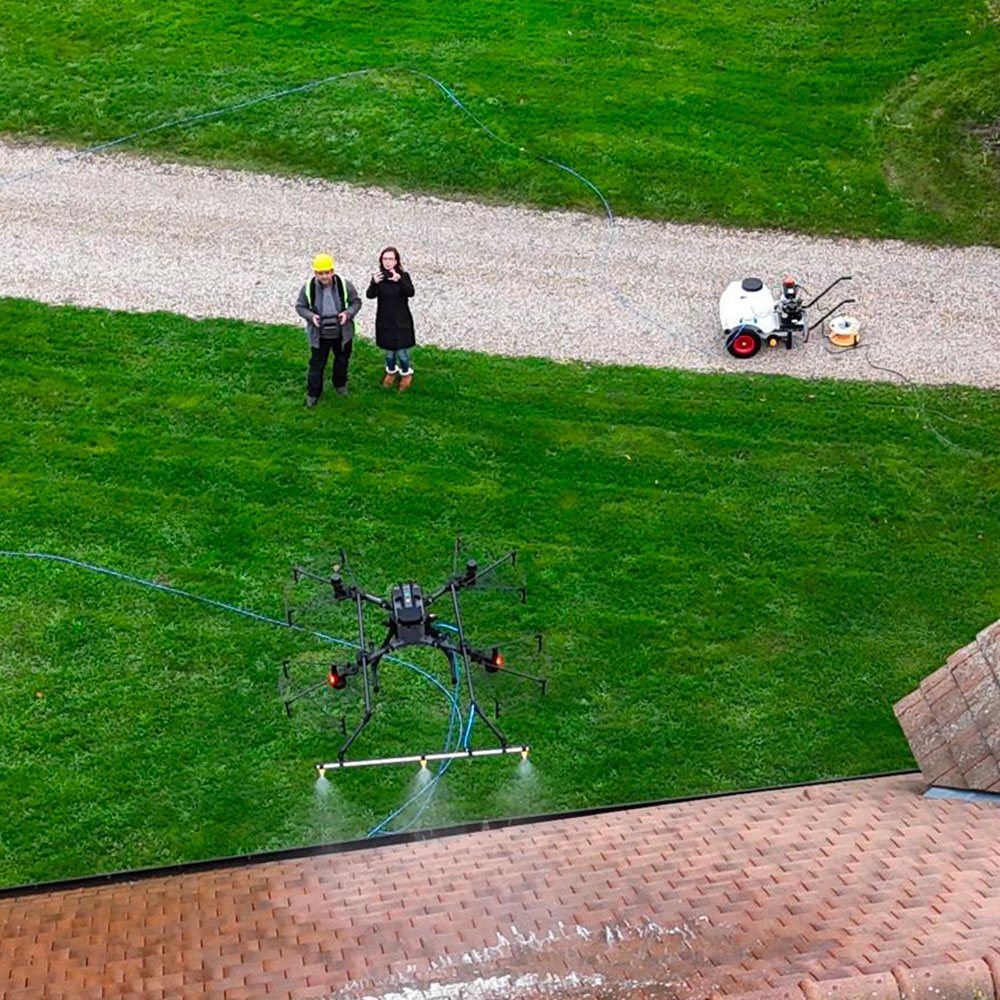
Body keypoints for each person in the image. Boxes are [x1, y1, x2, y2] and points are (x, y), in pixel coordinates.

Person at [295, 253, 362, 406]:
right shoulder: (308, 288)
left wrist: (348, 314)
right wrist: (311, 317)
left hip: (342, 334)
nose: (324, 276)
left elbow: (356, 302)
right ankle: (313, 393)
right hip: (320, 336)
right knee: (317, 365)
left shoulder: (345, 285)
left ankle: (340, 384)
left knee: (342, 360)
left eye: (327, 272)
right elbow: (300, 307)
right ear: (315, 273)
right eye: (320, 273)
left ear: (332, 271)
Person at [366, 246, 416, 392]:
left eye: (391, 259)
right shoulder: (379, 277)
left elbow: (410, 292)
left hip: (401, 319)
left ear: (396, 261)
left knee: (401, 351)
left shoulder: (403, 276)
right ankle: (391, 371)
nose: (387, 262)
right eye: (385, 259)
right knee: (388, 352)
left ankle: (406, 373)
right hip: (384, 319)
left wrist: (399, 280)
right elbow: (370, 295)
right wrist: (373, 283)